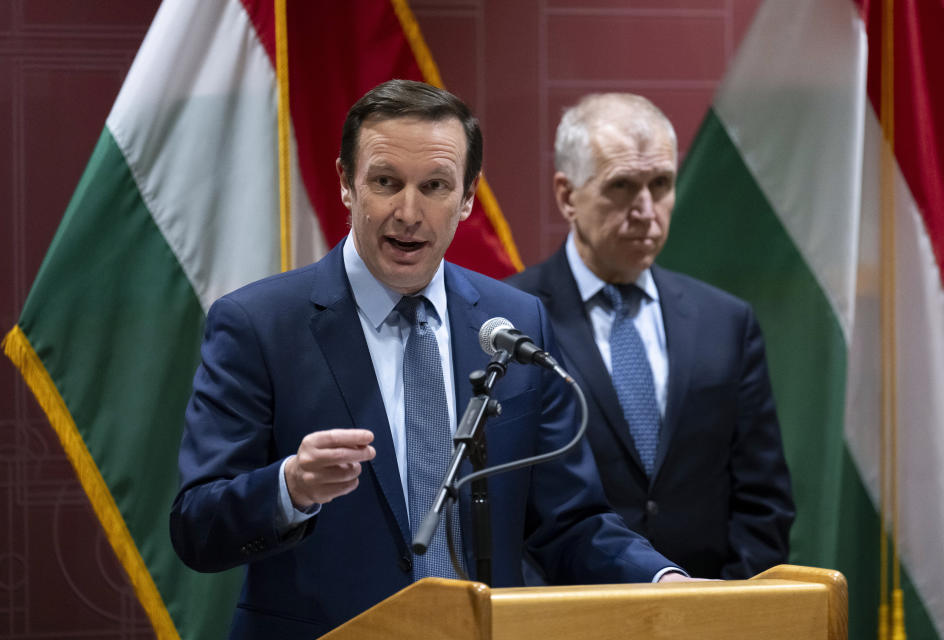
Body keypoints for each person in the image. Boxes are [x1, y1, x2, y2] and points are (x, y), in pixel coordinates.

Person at [170, 80, 688, 640]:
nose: (409, 212)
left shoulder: (517, 322)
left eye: (436, 186)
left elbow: (571, 522)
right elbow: (197, 525)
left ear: (467, 197)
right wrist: (289, 488)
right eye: (386, 182)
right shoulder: (257, 325)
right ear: (347, 183)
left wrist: (664, 581)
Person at [507, 93, 794, 579]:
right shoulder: (513, 320)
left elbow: (762, 500)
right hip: (565, 613)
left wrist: (731, 610)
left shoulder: (726, 321)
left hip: (710, 614)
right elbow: (508, 501)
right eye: (622, 186)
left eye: (660, 184)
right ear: (567, 195)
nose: (646, 209)